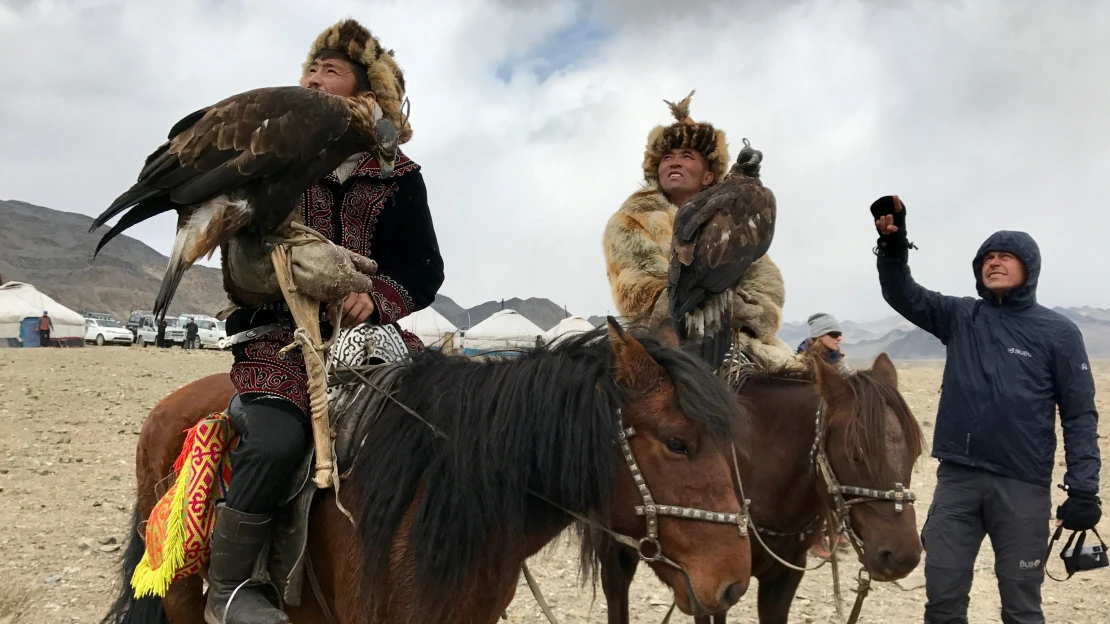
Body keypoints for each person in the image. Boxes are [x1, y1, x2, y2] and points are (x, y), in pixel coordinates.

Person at [208, 19, 444, 624]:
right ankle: (229, 586)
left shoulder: (401, 175)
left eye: (330, 71)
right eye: (311, 69)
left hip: (367, 333)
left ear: (368, 90)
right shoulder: (272, 155)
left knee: (441, 425)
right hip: (280, 337)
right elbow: (237, 250)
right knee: (279, 437)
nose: (313, 78)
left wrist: (379, 298)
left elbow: (424, 269)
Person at [870, 195, 1101, 624]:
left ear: (1028, 268)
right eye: (987, 257)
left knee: (1021, 604)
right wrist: (894, 247)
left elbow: (1079, 415)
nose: (994, 263)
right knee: (942, 596)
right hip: (958, 481)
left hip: (1023, 486)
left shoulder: (1059, 332)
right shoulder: (961, 316)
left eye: (1006, 257)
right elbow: (903, 293)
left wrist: (1083, 487)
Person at [601, 91, 794, 367]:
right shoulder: (632, 220)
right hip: (666, 344)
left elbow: (764, 283)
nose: (674, 161)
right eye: (667, 156)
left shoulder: (734, 218)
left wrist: (750, 311)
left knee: (803, 389)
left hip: (740, 342)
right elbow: (639, 293)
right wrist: (712, 310)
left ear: (709, 176)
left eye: (687, 155)